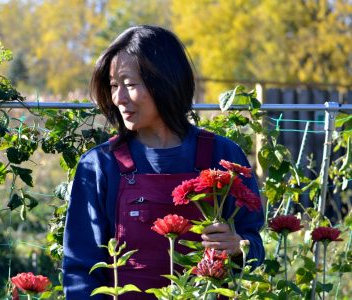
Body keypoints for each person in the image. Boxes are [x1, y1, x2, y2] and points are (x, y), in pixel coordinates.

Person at [62, 25, 265, 299]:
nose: (119, 98)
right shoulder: (100, 165)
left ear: (165, 82)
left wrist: (239, 247)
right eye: (113, 85)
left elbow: (253, 241)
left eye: (130, 84)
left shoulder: (222, 156)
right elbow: (80, 270)